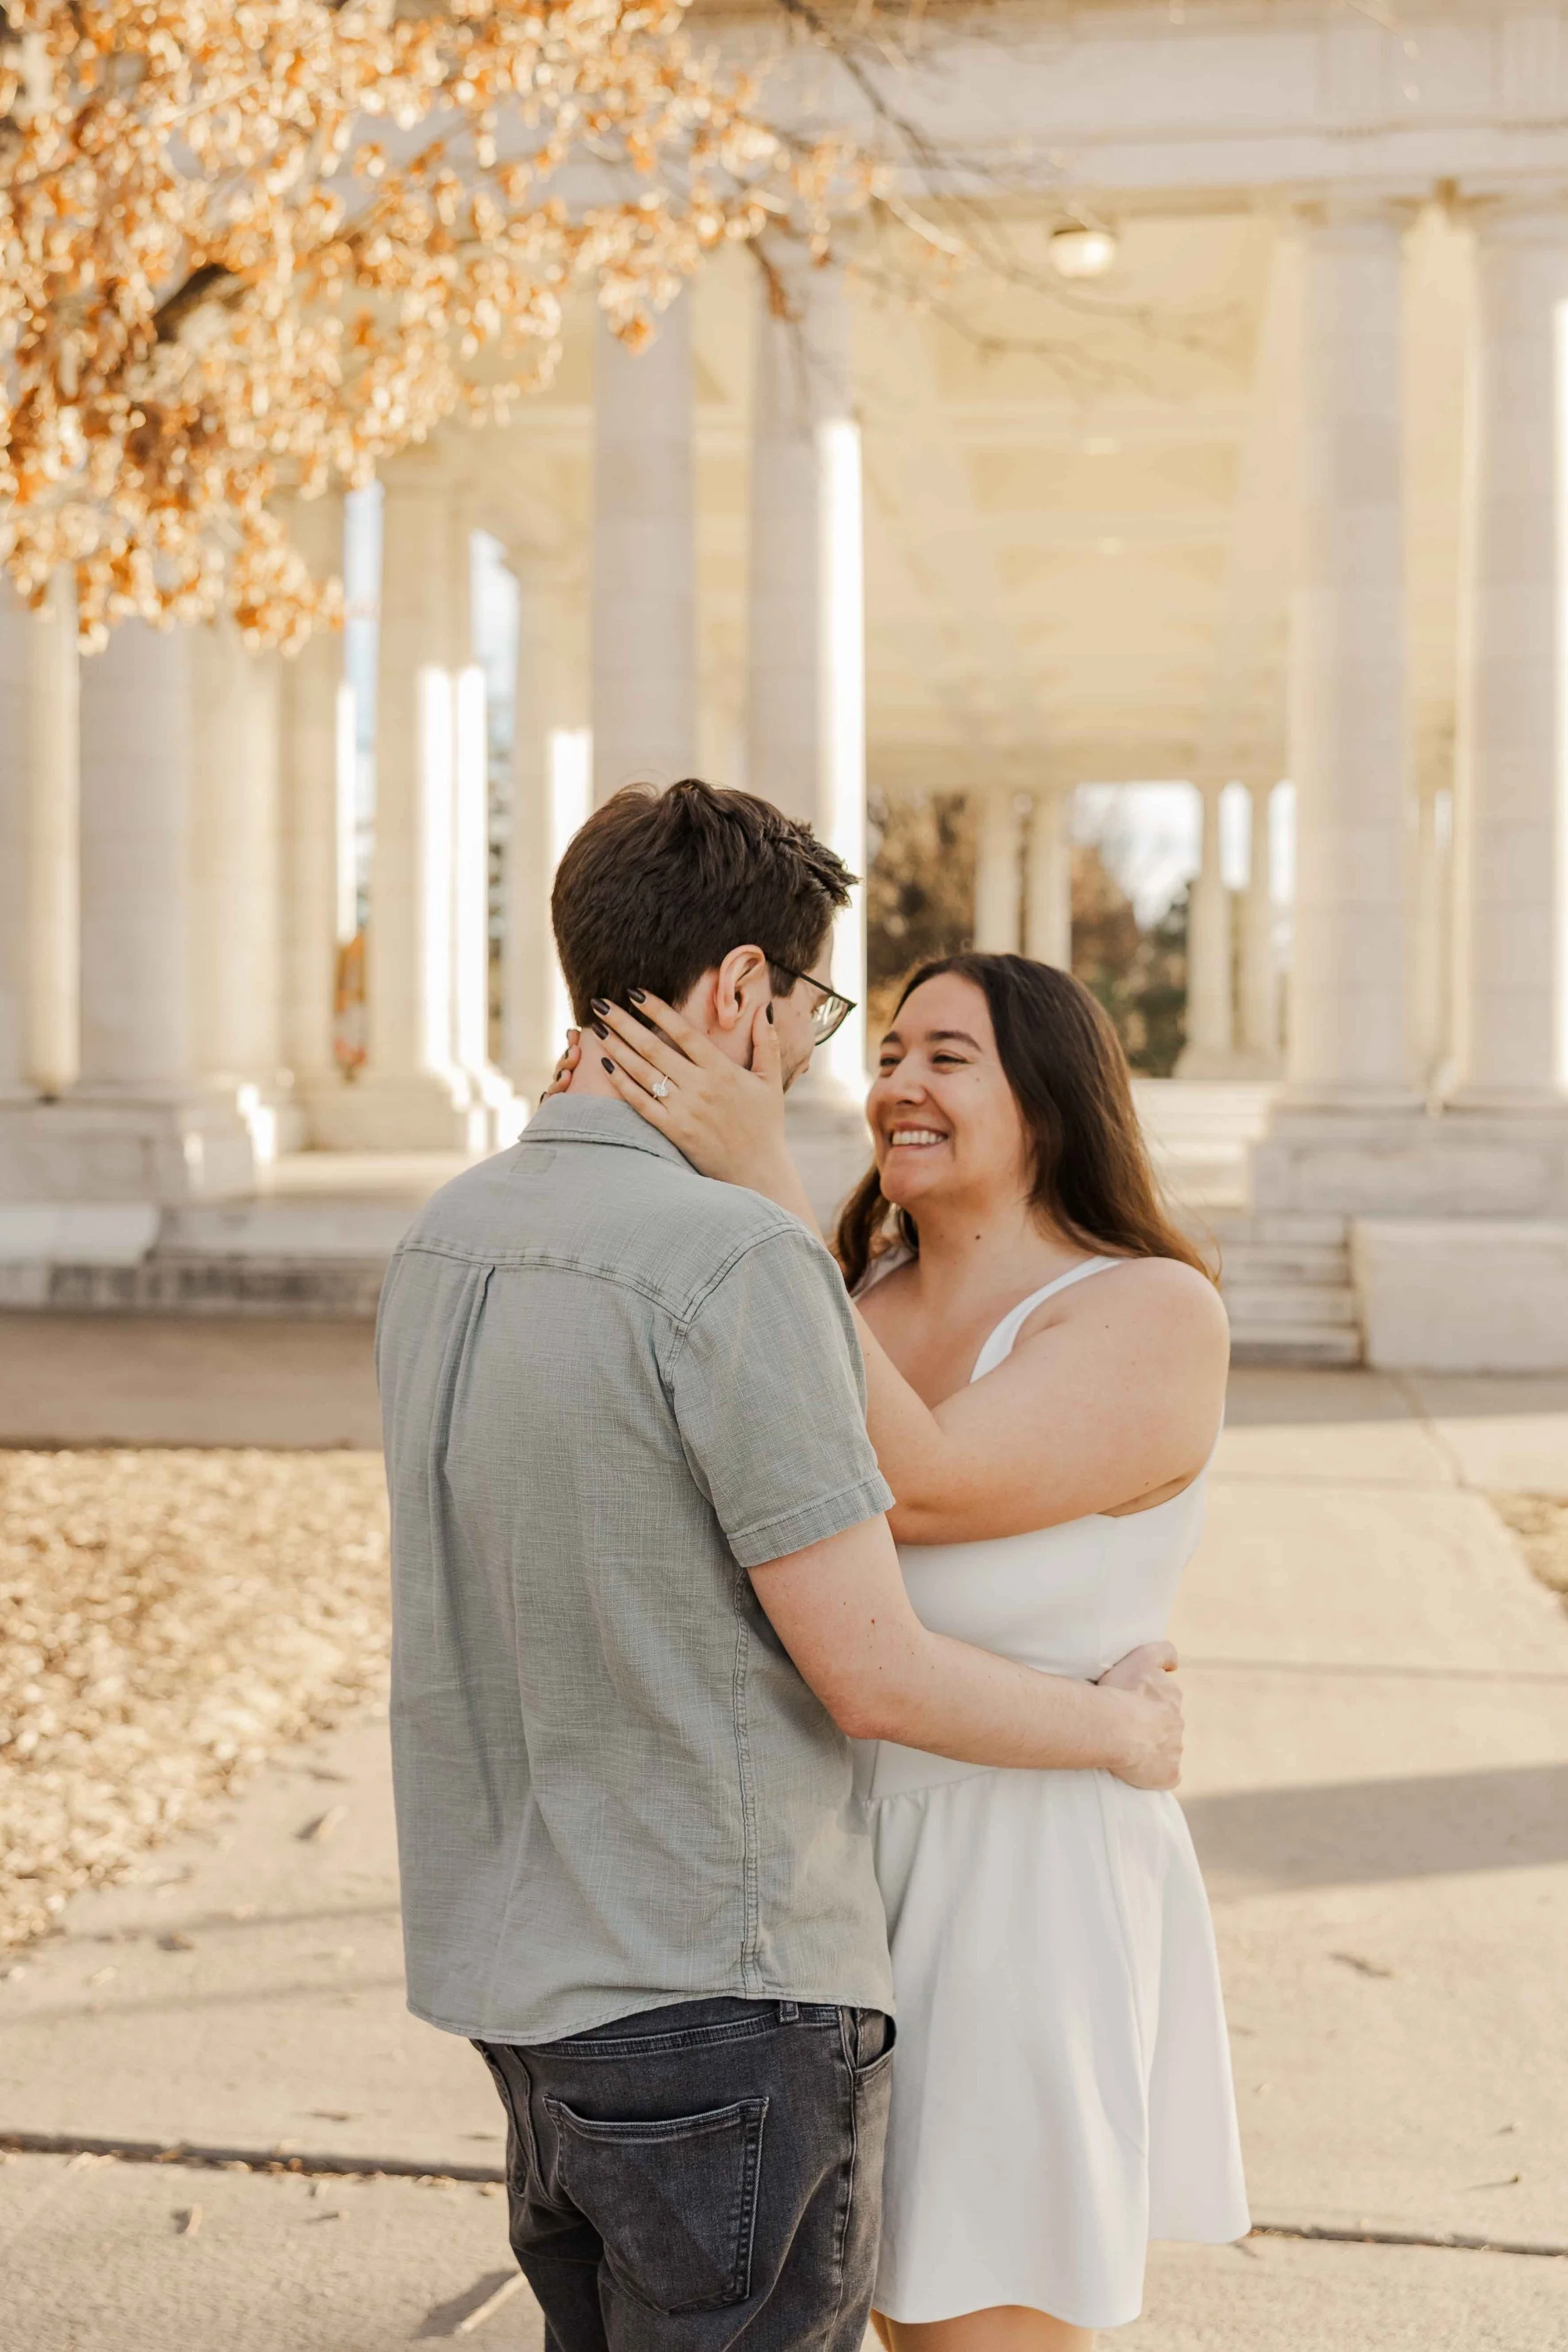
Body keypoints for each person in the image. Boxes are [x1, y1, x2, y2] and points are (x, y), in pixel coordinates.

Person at [376, 780, 1186, 2352]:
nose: (842, 1061)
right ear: (743, 991)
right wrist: (1123, 1728)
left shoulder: (445, 1234)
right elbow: (869, 1666)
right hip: (715, 1993)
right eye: (830, 1015)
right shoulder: (737, 1260)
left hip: (518, 1981)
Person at [584, 946, 1251, 2348]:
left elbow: (930, 1477)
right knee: (861, 2306)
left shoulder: (1146, 1311)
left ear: (1052, 1100)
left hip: (1026, 1882)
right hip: (828, 1875)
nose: (897, 1084)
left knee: (974, 2325)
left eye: (946, 1056)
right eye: (887, 1054)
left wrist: (759, 1184)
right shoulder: (854, 1295)